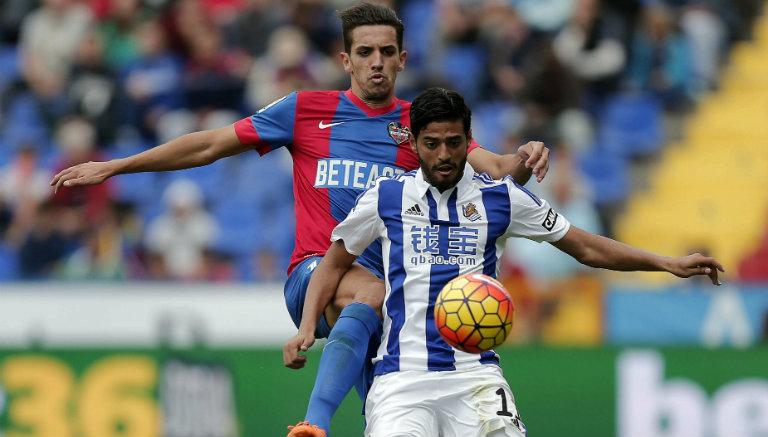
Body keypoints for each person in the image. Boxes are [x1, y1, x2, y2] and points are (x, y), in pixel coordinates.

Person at [49, 1, 552, 433]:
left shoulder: (423, 127)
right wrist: (116, 166)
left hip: (394, 298)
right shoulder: (304, 110)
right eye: (364, 52)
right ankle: (313, 423)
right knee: (367, 294)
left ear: (402, 58)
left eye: (385, 53)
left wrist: (525, 156)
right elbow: (209, 144)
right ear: (345, 59)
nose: (375, 63)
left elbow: (497, 171)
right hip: (317, 271)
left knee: (389, 403)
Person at [284, 87, 723, 437]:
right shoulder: (386, 197)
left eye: (454, 142)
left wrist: (666, 263)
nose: (443, 154)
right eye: (431, 143)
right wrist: (307, 328)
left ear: (467, 140)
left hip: (475, 378)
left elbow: (585, 246)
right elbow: (333, 263)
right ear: (414, 143)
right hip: (401, 380)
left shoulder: (503, 199)